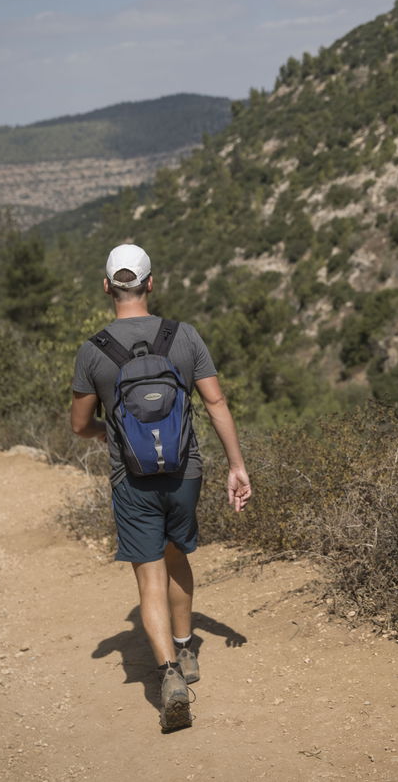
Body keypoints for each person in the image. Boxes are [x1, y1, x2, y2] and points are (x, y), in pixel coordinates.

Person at [69, 243, 251, 731]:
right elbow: (215, 404)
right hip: (185, 472)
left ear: (107, 286)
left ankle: (169, 674)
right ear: (151, 283)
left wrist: (107, 431)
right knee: (177, 556)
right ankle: (188, 649)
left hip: (132, 476)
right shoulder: (184, 336)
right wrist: (237, 465)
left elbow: (79, 423)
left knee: (148, 574)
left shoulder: (94, 350)